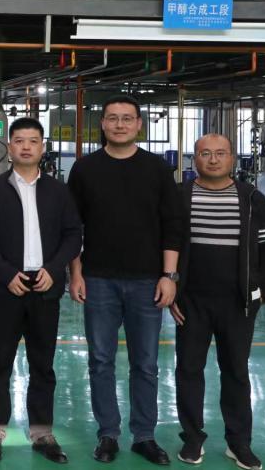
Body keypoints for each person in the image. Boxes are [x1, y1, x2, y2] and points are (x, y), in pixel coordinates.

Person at [67, 94, 185, 465]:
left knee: (146, 363)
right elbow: (71, 227)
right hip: (98, 279)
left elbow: (173, 225)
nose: (120, 124)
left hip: (147, 281)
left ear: (138, 125)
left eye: (127, 118)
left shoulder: (156, 169)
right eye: (113, 118)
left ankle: (144, 436)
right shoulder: (85, 169)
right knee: (100, 360)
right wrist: (76, 273)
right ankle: (108, 434)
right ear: (102, 124)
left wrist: (168, 275)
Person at [0, 117, 82, 464]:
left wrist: (54, 269)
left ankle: (42, 433)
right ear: (10, 146)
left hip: (45, 288)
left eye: (33, 141)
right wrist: (5, 274)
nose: (26, 147)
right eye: (19, 140)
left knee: (43, 365)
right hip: (8, 288)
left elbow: (73, 234)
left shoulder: (58, 191)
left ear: (42, 147)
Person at [172, 134, 265, 470]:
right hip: (191, 302)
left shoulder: (251, 198)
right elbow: (167, 244)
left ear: (232, 158)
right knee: (189, 370)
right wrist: (174, 290)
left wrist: (259, 293)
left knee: (236, 372)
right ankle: (192, 439)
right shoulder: (181, 195)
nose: (213, 159)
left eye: (220, 153)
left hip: (237, 304)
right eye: (205, 153)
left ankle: (239, 443)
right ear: (195, 159)